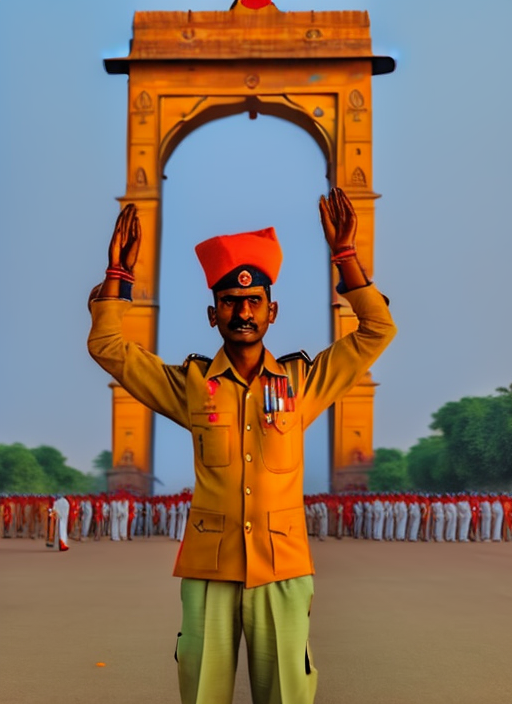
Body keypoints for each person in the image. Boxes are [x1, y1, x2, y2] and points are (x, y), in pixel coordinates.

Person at [87, 188, 396, 704]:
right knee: (202, 693)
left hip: (282, 569)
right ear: (214, 315)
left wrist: (347, 258)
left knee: (287, 696)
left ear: (271, 311)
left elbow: (377, 329)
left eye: (254, 302)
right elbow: (108, 348)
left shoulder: (303, 382)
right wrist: (118, 276)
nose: (243, 312)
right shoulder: (192, 385)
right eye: (230, 302)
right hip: (210, 571)